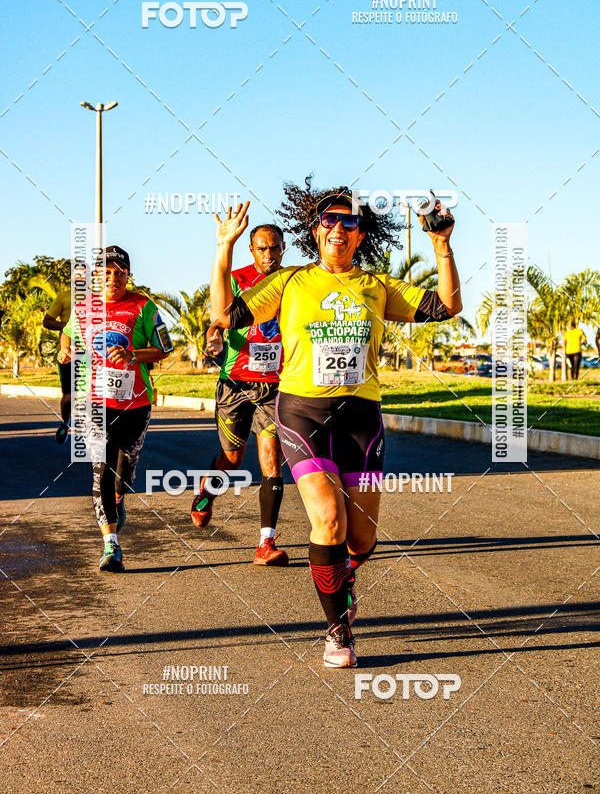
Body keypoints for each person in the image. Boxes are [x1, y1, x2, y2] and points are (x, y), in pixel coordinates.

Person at [209, 182, 462, 667]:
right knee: (328, 520)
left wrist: (442, 244)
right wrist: (224, 249)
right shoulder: (290, 283)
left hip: (361, 419)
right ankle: (337, 630)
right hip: (303, 412)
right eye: (330, 221)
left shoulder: (377, 286)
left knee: (361, 539)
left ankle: (339, 575)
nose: (339, 229)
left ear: (360, 235)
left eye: (350, 222)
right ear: (316, 230)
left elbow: (447, 307)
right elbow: (223, 314)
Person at [58, 246, 173, 571]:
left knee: (126, 469)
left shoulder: (143, 307)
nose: (113, 278)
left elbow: (164, 348)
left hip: (136, 403)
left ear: (127, 275)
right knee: (101, 472)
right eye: (106, 272)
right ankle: (111, 546)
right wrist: (66, 351)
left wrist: (135, 355)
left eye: (119, 272)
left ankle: (121, 497)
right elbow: (68, 336)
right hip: (94, 402)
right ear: (96, 276)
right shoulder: (82, 309)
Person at [192, 224, 289, 567]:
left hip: (276, 385)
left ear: (283, 248)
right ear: (251, 250)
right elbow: (217, 318)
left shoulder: (291, 281)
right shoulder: (236, 279)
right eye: (261, 249)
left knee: (271, 463)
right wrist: (213, 337)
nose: (268, 255)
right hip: (235, 382)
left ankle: (266, 542)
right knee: (232, 461)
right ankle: (206, 493)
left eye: (274, 248)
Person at [43, 275, 78, 444]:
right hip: (68, 353)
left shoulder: (97, 298)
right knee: (69, 395)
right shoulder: (64, 296)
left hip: (93, 353)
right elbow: (47, 321)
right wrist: (67, 327)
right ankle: (65, 423)